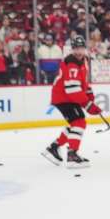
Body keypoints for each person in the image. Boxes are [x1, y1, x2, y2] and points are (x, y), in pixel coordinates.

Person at [42, 35, 101, 168]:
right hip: (63, 97)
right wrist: (88, 104)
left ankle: (54, 148)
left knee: (76, 123)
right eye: (76, 49)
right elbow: (72, 89)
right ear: (72, 49)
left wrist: (89, 93)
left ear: (85, 49)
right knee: (79, 122)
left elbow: (82, 82)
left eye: (81, 48)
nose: (79, 52)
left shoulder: (84, 60)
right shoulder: (71, 62)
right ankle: (72, 155)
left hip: (67, 96)